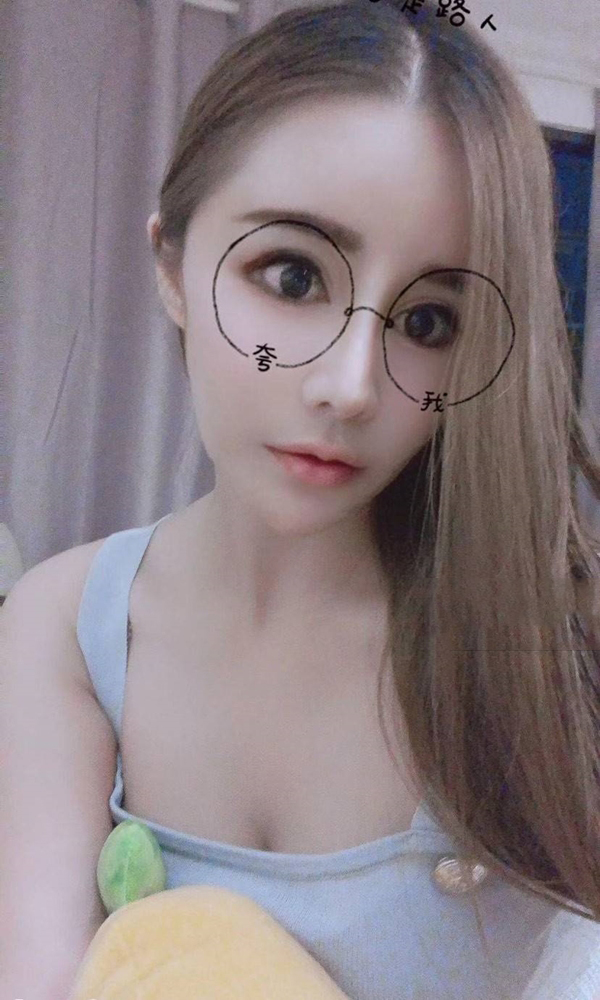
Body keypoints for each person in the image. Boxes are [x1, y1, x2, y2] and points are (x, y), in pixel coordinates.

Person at [2, 2, 599, 998]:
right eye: (292, 276)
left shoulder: (546, 647)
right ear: (172, 265)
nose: (351, 386)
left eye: (428, 321)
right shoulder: (69, 627)